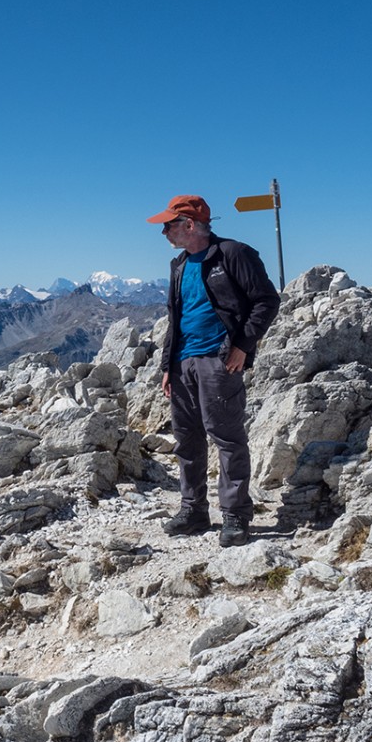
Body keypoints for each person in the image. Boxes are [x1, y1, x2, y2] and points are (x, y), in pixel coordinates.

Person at [146, 194, 280, 546]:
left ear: (189, 225)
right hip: (182, 364)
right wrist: (167, 366)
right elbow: (175, 319)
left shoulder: (233, 254)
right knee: (187, 440)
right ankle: (194, 511)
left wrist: (242, 347)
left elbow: (266, 300)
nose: (163, 232)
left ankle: (235, 515)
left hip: (218, 360)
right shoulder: (179, 264)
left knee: (227, 438)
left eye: (168, 225)